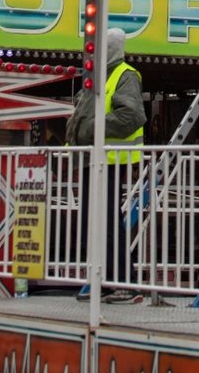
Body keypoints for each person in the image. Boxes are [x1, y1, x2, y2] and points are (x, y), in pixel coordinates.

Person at [65, 27, 146, 302]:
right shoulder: (99, 77)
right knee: (96, 222)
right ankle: (107, 280)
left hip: (109, 160)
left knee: (108, 221)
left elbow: (131, 116)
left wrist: (88, 130)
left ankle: (123, 281)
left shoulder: (123, 75)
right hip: (94, 160)